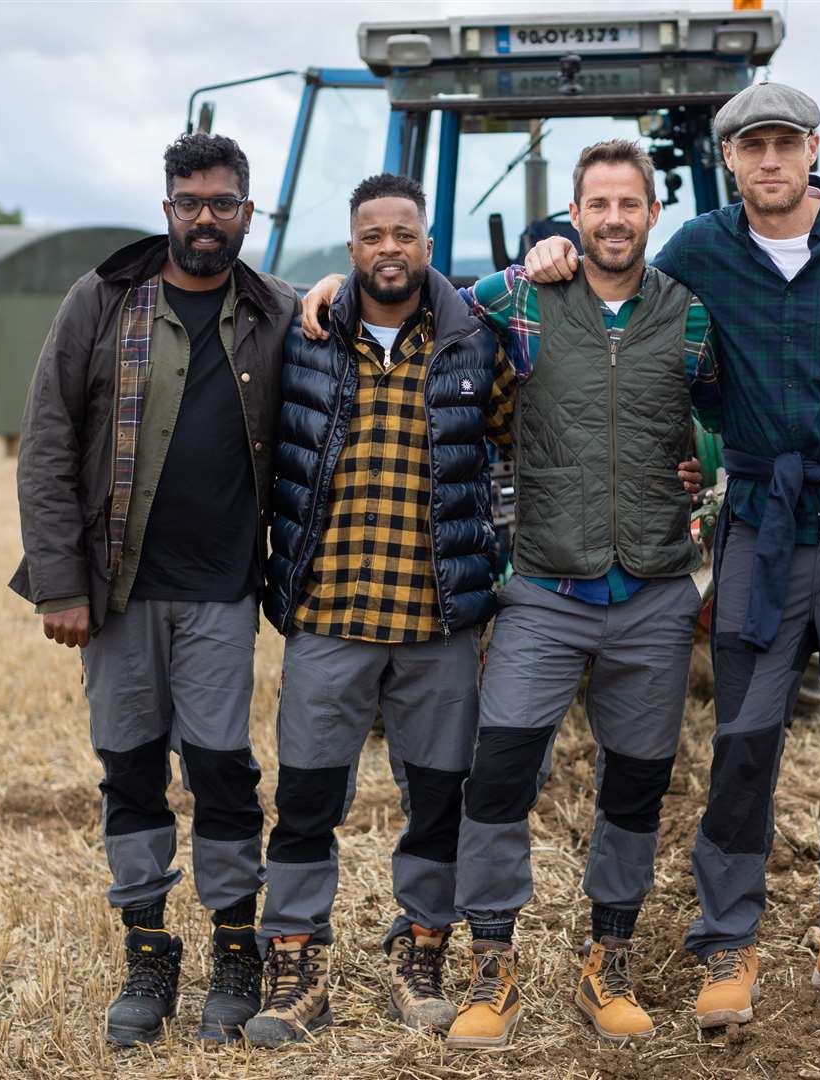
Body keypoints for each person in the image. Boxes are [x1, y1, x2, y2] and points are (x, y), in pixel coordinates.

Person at [523, 83, 820, 1027]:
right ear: (731, 159)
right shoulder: (702, 248)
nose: (770, 161)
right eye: (752, 147)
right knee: (744, 748)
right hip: (759, 528)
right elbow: (617, 276)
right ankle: (727, 944)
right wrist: (553, 242)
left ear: (813, 148)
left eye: (786, 143)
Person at [301, 140, 715, 1047]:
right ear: (574, 216)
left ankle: (609, 961)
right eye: (596, 205)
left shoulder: (689, 315)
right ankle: (493, 963)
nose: (613, 220)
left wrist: (705, 468)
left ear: (653, 217)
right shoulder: (519, 300)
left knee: (635, 789)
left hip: (651, 592)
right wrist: (334, 284)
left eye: (629, 205)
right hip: (543, 591)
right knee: (497, 782)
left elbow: (726, 415)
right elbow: (412, 295)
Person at [11, 133, 298, 1046]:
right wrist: (61, 582)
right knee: (131, 768)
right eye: (189, 202)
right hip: (117, 593)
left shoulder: (281, 312)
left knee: (221, 772)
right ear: (166, 206)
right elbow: (48, 442)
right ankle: (147, 950)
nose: (205, 218)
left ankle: (235, 949)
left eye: (222, 203)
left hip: (221, 590)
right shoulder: (100, 301)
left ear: (248, 213)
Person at [241, 173, 515, 1048]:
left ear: (427, 245)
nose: (388, 248)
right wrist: (312, 293)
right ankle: (296, 954)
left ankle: (421, 944)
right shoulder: (304, 333)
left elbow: (533, 441)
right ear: (351, 246)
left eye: (404, 233)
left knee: (437, 800)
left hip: (440, 624)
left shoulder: (479, 344)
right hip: (328, 614)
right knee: (308, 797)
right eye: (372, 236)